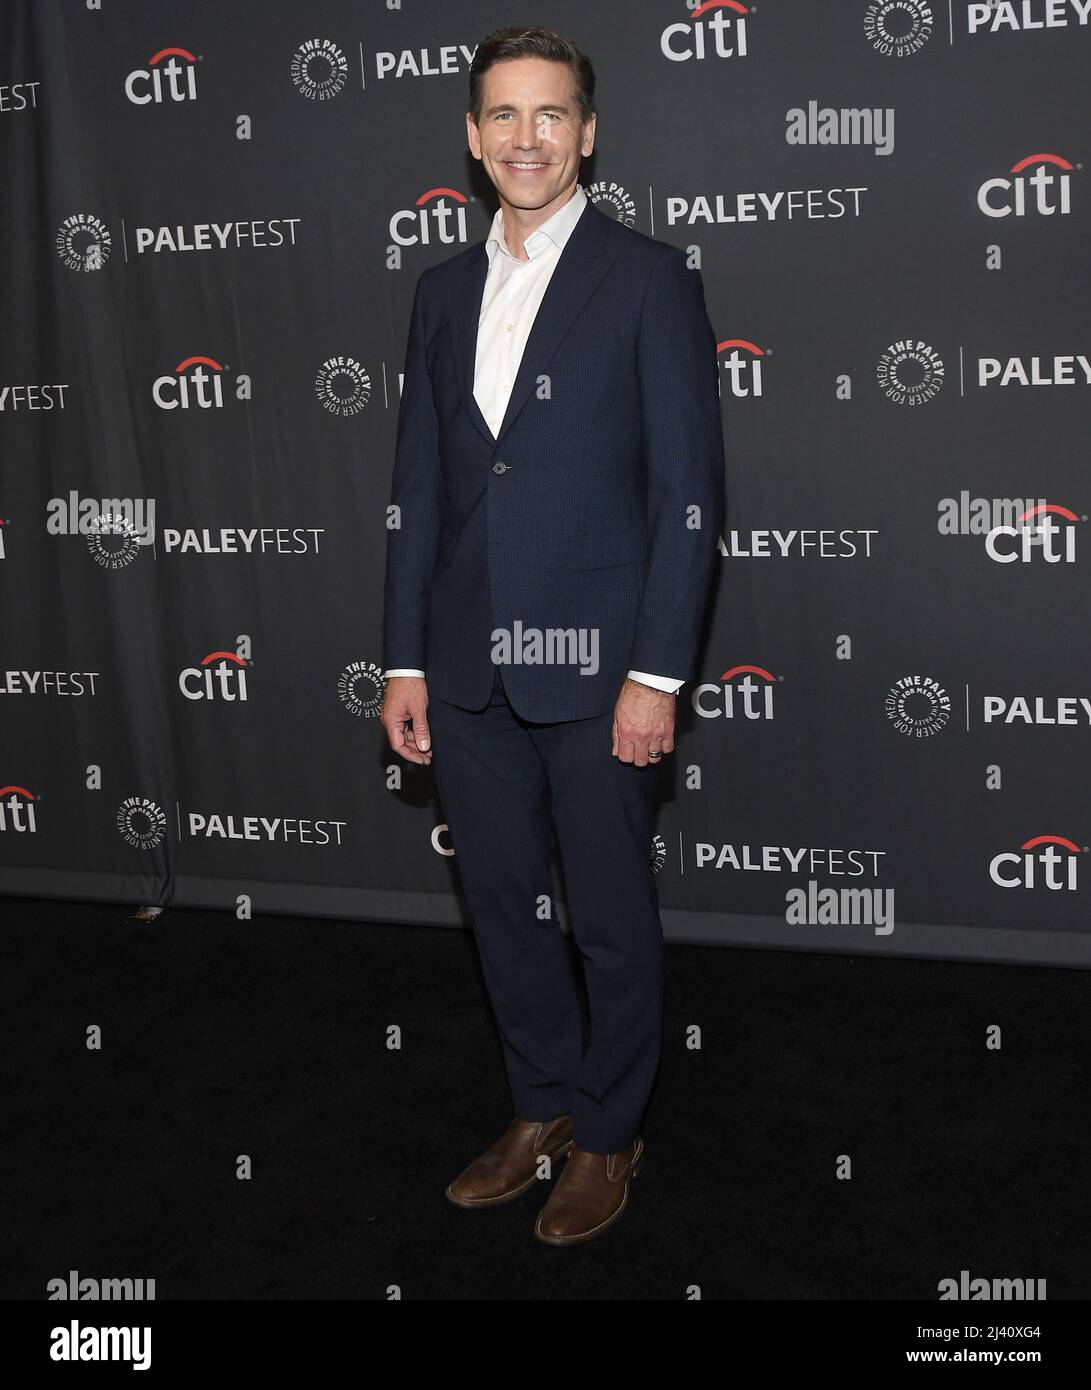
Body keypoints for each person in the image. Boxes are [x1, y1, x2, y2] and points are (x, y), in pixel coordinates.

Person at [381, 25, 725, 1246]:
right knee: (502, 900)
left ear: (585, 132)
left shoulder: (647, 277)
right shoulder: (436, 293)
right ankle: (539, 1104)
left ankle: (611, 1127)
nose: (526, 138)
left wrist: (654, 672)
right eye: (502, 117)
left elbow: (688, 489)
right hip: (464, 662)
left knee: (608, 916)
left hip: (598, 670)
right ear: (472, 139)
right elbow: (419, 488)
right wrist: (405, 656)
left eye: (550, 115)